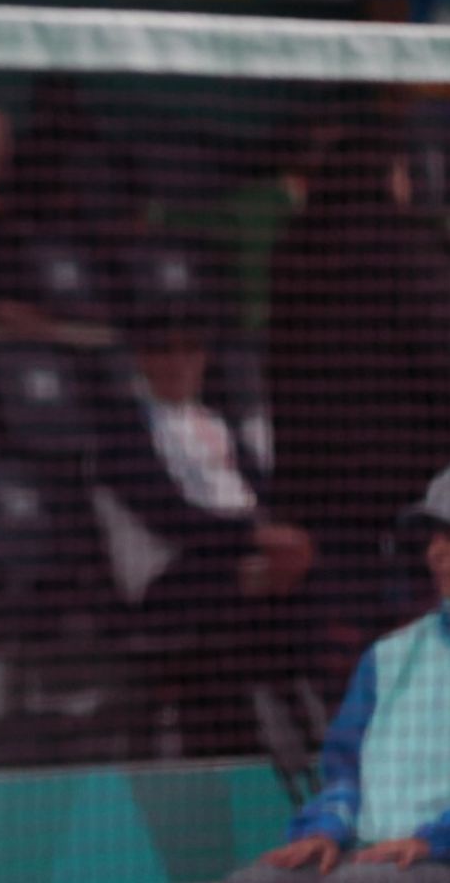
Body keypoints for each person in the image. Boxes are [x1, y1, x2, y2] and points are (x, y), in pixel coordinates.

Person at [229, 456, 450, 882]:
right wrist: (325, 828)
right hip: (378, 858)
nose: (437, 550)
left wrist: (438, 840)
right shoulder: (389, 656)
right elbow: (345, 773)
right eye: (434, 533)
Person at [267, 144, 450, 692]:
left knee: (347, 667)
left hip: (324, 506)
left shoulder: (293, 258)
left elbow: (279, 385)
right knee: (417, 663)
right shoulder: (407, 256)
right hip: (409, 506)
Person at [94, 319, 313, 755]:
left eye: (190, 350)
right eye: (165, 351)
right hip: (166, 574)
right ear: (143, 360)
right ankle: (239, 743)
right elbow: (169, 518)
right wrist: (255, 539)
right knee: (247, 598)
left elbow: (265, 498)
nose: (179, 363)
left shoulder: (216, 422)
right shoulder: (121, 431)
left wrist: (282, 539)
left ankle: (315, 730)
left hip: (236, 555)